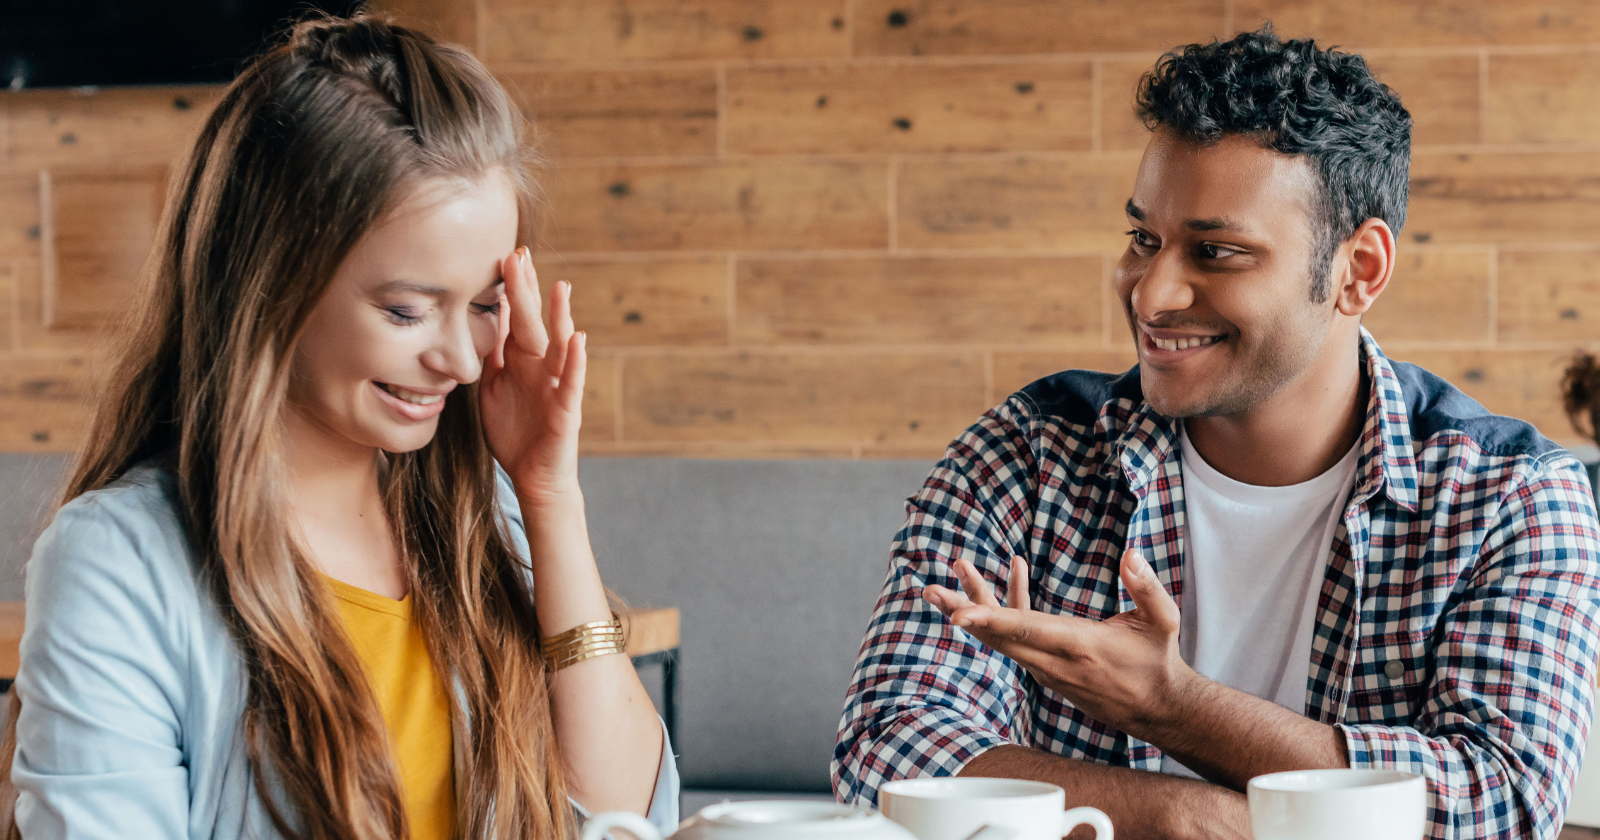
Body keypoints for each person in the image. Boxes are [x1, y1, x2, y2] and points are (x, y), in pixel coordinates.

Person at [834, 28, 1600, 840]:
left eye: (1217, 252)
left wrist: (1173, 706)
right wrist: (1186, 819)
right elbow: (889, 748)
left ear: (1359, 271)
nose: (1152, 293)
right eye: (1143, 240)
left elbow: (1503, 805)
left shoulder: (1510, 497)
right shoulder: (1025, 459)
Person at [0, 15, 675, 840]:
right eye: (406, 310)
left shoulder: (483, 511)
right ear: (271, 282)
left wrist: (551, 496)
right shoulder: (118, 560)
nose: (463, 361)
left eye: (485, 305)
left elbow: (625, 818)